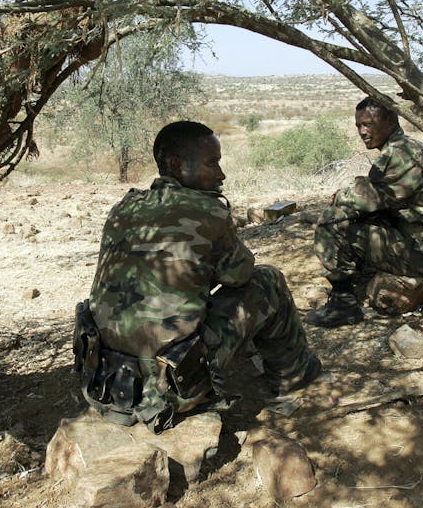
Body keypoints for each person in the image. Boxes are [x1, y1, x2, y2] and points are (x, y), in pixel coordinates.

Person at [74, 121, 321, 431]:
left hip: (105, 383)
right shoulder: (207, 212)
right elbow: (240, 274)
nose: (221, 174)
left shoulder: (123, 208)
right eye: (212, 163)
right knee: (267, 281)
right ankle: (294, 376)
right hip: (172, 390)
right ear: (177, 165)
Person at [306, 98, 423, 327]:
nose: (363, 132)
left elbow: (365, 199)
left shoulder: (400, 154)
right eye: (358, 126)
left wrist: (342, 195)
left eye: (368, 124)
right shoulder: (410, 146)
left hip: (419, 252)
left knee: (331, 221)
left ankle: (343, 304)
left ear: (390, 121)